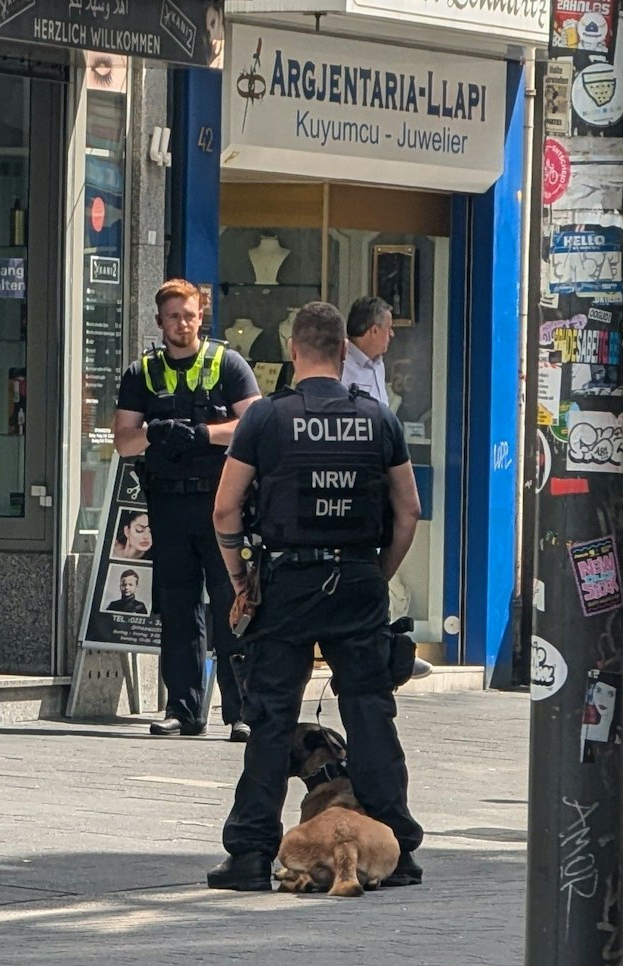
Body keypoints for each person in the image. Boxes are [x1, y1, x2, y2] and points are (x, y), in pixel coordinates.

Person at [207, 300, 425, 891]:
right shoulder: (378, 419)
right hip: (356, 580)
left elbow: (226, 507)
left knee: (270, 718)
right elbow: (408, 509)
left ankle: (250, 854)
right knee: (370, 714)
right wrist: (378, 572)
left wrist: (239, 579)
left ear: (294, 350)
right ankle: (397, 849)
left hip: (287, 583)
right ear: (341, 351)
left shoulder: (266, 420)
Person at [112, 279, 261, 741]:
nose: (183, 322)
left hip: (222, 502)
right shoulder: (142, 373)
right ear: (159, 321)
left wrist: (202, 434)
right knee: (177, 609)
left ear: (202, 317)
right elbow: (123, 441)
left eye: (190, 314)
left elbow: (255, 424)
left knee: (230, 606)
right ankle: (183, 709)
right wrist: (157, 432)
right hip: (168, 502)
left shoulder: (227, 364)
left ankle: (242, 712)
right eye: (173, 315)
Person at [340, 296, 393, 404]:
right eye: (389, 328)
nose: (392, 334)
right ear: (374, 331)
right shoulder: (340, 364)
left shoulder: (378, 363)